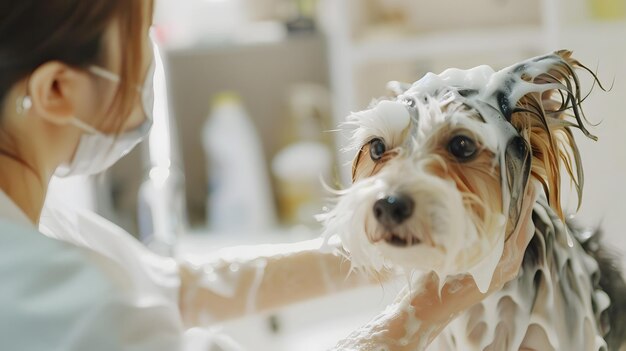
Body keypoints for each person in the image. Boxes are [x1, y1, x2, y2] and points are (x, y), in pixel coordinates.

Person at [0, 1, 536, 350]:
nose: (149, 63)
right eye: (143, 31)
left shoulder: (36, 218)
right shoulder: (69, 310)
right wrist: (426, 309)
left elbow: (177, 290)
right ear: (56, 90)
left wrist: (381, 246)